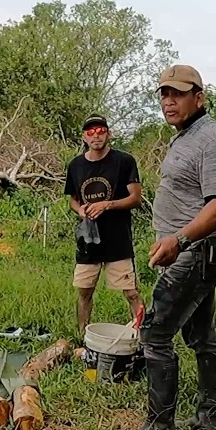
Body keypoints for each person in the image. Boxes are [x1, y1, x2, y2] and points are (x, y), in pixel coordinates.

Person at [119, 65, 216, 430]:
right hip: (192, 253)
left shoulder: (212, 138)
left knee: (155, 334)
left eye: (178, 94)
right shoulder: (185, 136)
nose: (169, 102)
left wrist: (179, 241)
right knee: (201, 336)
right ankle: (209, 417)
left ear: (199, 98)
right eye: (164, 94)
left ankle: (159, 428)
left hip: (195, 254)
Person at [64, 114, 143, 335]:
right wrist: (80, 210)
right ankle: (83, 336)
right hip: (88, 240)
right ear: (84, 137)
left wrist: (107, 205)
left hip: (117, 239)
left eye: (100, 131)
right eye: (90, 132)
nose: (96, 136)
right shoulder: (76, 165)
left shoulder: (124, 161)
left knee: (131, 292)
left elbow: (135, 198)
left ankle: (144, 338)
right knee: (84, 292)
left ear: (109, 134)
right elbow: (72, 199)